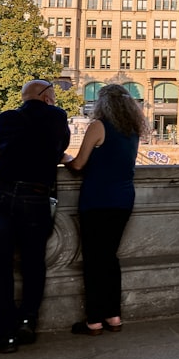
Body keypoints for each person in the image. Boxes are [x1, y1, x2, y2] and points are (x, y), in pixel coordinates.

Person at [0, 80, 72, 354]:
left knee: (0, 265)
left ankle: (5, 334)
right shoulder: (56, 116)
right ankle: (27, 320)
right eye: (53, 96)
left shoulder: (6, 117)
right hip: (34, 195)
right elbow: (59, 147)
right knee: (34, 263)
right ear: (46, 98)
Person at [65, 83, 146, 335]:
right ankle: (114, 316)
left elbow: (79, 164)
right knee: (110, 258)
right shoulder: (132, 130)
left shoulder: (98, 126)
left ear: (103, 103)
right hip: (123, 199)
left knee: (93, 260)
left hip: (97, 200)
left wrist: (65, 158)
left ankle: (94, 320)